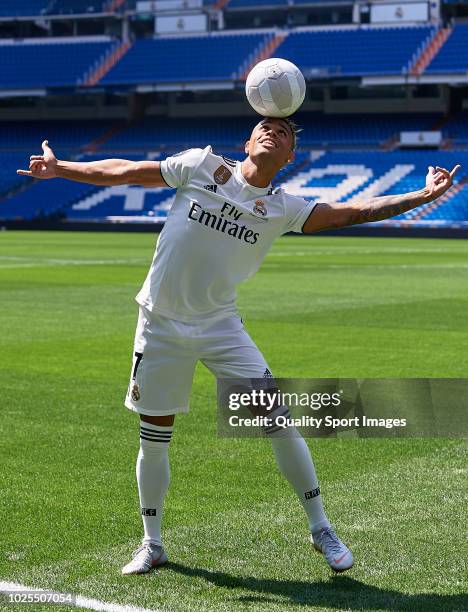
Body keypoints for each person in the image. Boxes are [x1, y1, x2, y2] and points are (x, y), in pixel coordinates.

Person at [17, 118, 460, 575]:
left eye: (285, 132)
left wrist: (423, 197)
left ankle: (320, 528)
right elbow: (127, 170)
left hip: (221, 326)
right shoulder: (199, 166)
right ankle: (152, 543)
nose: (274, 132)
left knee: (277, 419)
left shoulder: (285, 207)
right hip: (160, 322)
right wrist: (62, 168)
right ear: (247, 141)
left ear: (290, 157)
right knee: (155, 436)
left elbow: (354, 211)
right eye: (265, 126)